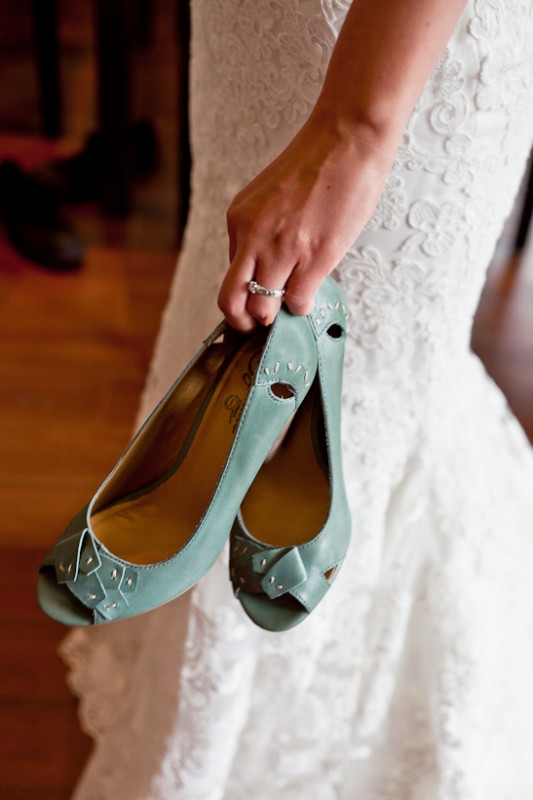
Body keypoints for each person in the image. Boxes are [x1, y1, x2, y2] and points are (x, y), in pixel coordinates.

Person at [61, 0, 533, 797]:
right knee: (226, 327)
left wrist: (358, 128)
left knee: (371, 384)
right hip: (255, 28)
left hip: (401, 49)